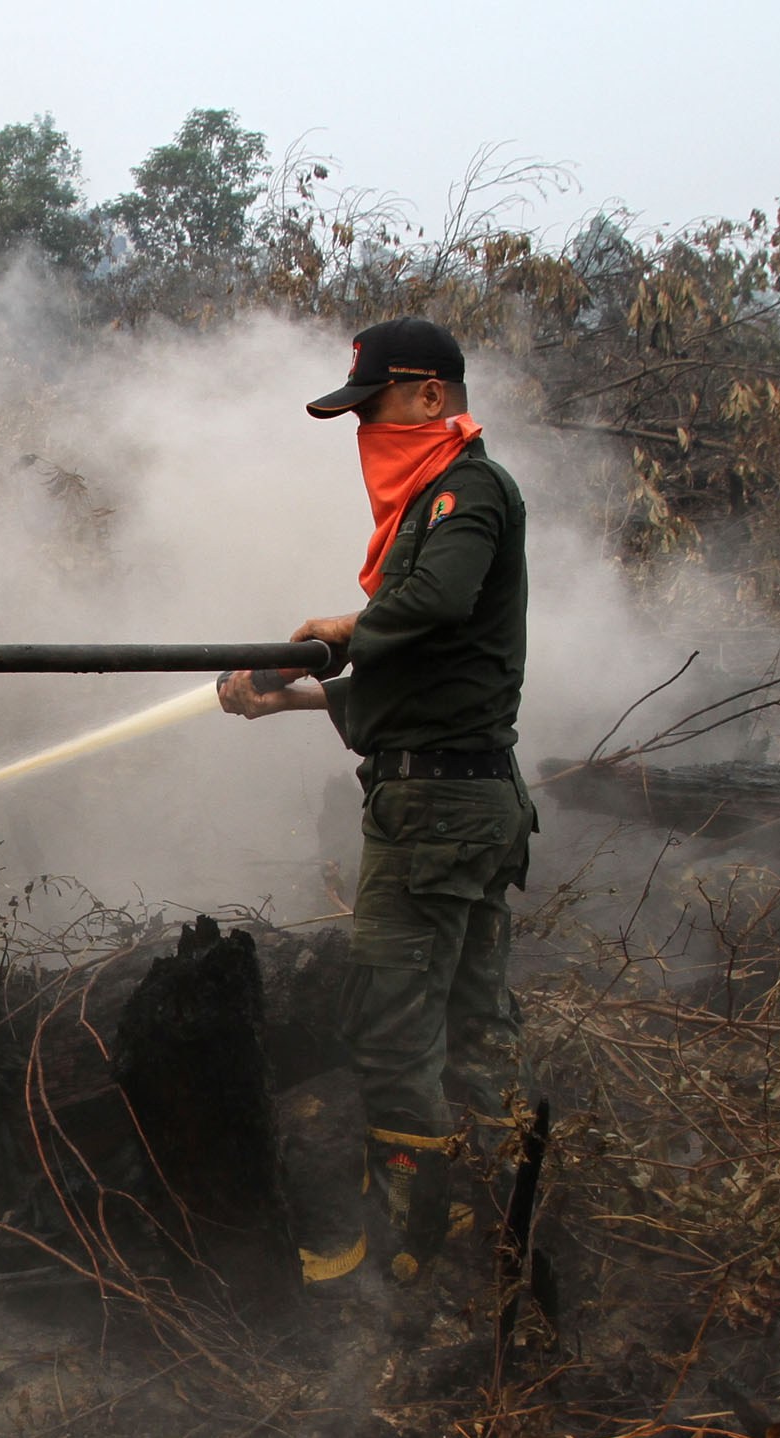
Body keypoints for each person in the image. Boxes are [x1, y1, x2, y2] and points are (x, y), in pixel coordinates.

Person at [216, 318, 535, 1284]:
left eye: (375, 407)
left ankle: (410, 1260)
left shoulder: (463, 492)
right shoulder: (436, 500)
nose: (366, 431)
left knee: (393, 1028)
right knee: (474, 1019)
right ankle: (504, 1218)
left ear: (430, 396)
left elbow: (432, 606)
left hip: (435, 818)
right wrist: (290, 699)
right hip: (464, 796)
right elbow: (428, 683)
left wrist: (341, 627)